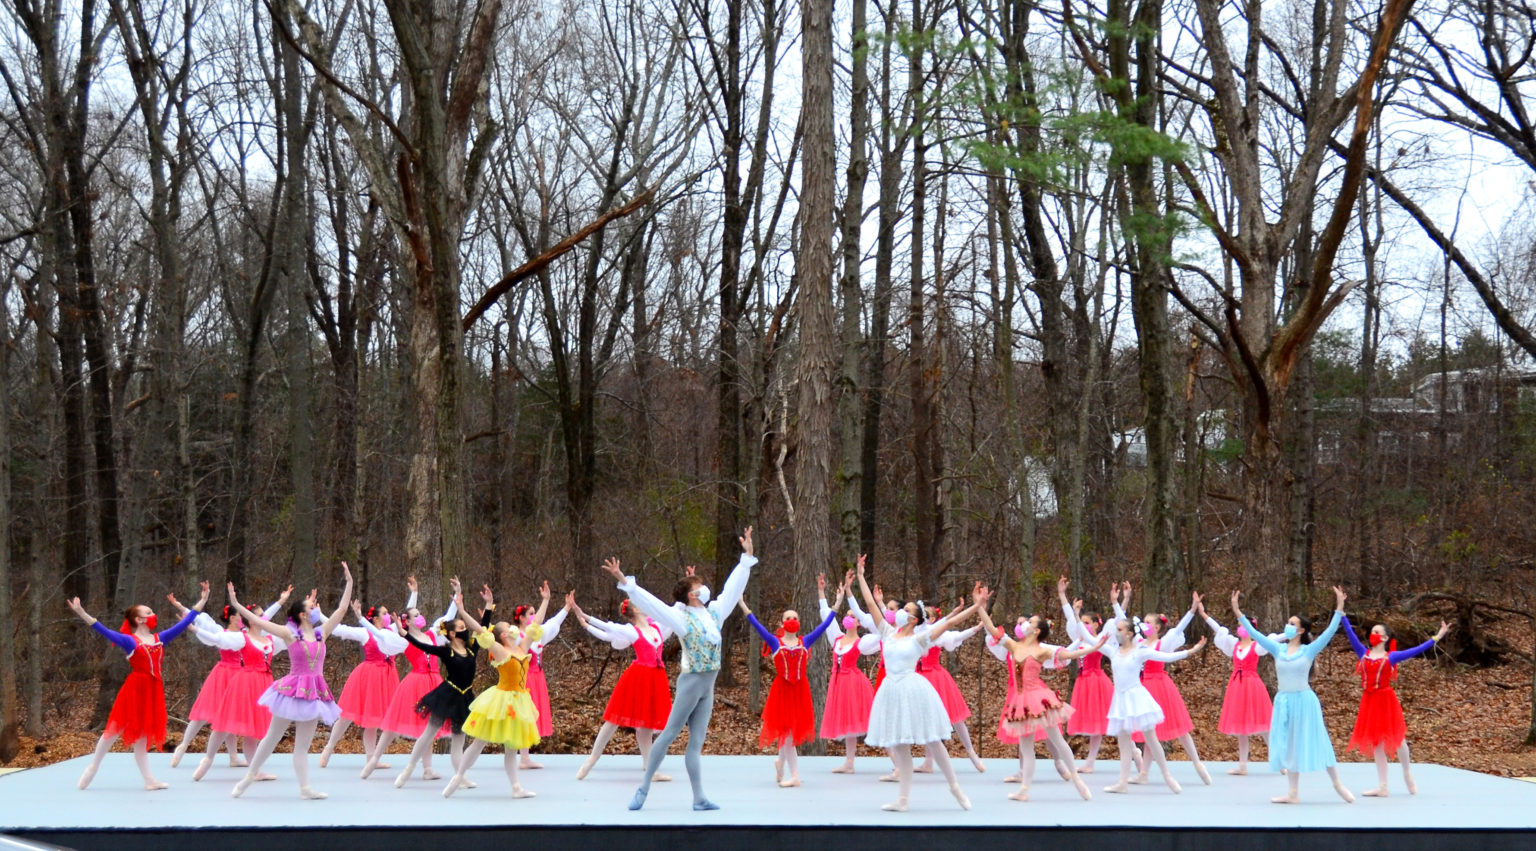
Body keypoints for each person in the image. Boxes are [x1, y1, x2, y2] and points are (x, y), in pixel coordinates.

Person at [607, 526, 757, 812]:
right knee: (668, 734)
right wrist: (625, 582)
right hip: (691, 684)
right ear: (690, 595)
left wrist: (745, 557)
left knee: (696, 742)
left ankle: (699, 797)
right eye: (697, 585)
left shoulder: (714, 612)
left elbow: (732, 589)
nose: (704, 587)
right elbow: (654, 606)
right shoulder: (681, 617)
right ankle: (644, 787)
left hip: (708, 686)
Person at [855, 554, 979, 813]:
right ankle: (903, 799)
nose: (899, 612)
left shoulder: (920, 639)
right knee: (901, 746)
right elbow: (869, 602)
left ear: (913, 619)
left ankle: (955, 786)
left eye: (906, 610)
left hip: (913, 689)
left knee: (932, 740)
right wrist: (860, 574)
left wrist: (977, 606)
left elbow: (952, 622)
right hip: (891, 690)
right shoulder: (888, 633)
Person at [227, 564, 354, 799]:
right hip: (291, 690)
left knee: (302, 746)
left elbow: (342, 609)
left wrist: (349, 582)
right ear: (303, 615)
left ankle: (305, 789)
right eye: (312, 607)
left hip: (314, 692)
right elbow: (260, 622)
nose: (317, 609)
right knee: (272, 737)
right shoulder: (288, 634)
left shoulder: (321, 632)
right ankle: (248, 778)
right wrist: (235, 604)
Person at [68, 582, 209, 791]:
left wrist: (203, 599)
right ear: (139, 619)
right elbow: (103, 630)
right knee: (113, 730)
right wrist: (81, 612)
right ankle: (93, 767)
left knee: (143, 737)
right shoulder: (129, 641)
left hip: (153, 691)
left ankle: (149, 780)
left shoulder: (159, 639)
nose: (154, 614)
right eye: (149, 612)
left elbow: (185, 623)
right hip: (135, 689)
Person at [976, 592, 1106, 802]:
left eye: (1030, 622)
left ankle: (1076, 779)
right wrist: (980, 605)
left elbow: (1069, 655)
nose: (1025, 623)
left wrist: (1095, 647)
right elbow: (992, 629)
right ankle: (1025, 789)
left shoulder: (1042, 650)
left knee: (1057, 740)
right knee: (1026, 747)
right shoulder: (1014, 645)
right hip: (1020, 701)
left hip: (1038, 698)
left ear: (1035, 631)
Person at [1233, 586, 1355, 804]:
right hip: (1284, 701)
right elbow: (1255, 634)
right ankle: (1292, 793)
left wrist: (1339, 607)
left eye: (1292, 624)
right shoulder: (1278, 649)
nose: (1287, 627)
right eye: (1287, 623)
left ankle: (1337, 783)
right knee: (1288, 743)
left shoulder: (1308, 650)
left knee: (1318, 739)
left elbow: (1328, 633)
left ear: (1300, 631)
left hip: (1304, 701)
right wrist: (1238, 612)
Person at [170, 588, 288, 769]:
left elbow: (264, 619)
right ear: (234, 617)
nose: (246, 618)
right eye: (242, 615)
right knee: (206, 713)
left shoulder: (250, 634)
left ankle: (233, 756)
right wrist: (183, 610)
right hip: (225, 674)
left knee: (230, 717)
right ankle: (184, 745)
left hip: (242, 676)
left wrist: (280, 602)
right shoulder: (225, 632)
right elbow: (202, 622)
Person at [1099, 601, 1208, 795]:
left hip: (1153, 689)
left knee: (1164, 732)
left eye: (1149, 623)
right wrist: (1117, 602)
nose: (1117, 631)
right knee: (1131, 740)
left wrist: (1192, 615)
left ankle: (1174, 772)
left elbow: (1169, 654)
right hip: (1131, 692)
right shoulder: (1125, 647)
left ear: (1156, 627)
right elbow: (1120, 626)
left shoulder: (1151, 647)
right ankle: (1128, 779)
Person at [443, 595, 543, 799]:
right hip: (501, 701)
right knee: (480, 742)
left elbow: (536, 624)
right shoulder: (500, 651)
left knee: (511, 748)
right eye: (509, 627)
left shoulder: (522, 648)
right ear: (504, 634)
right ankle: (458, 776)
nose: (514, 629)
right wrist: (461, 609)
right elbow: (480, 630)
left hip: (520, 702)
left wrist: (546, 600)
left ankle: (516, 788)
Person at [389, 577, 483, 788]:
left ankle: (460, 776)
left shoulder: (471, 649)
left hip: (465, 697)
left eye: (463, 625)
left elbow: (483, 629)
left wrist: (486, 606)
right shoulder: (445, 650)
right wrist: (404, 632)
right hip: (447, 695)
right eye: (459, 627)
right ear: (451, 633)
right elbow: (423, 647)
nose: (463, 628)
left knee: (459, 739)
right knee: (429, 733)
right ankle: (409, 769)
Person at [1342, 614, 1450, 796]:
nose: (1373, 634)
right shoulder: (1364, 654)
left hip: (1385, 700)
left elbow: (1417, 649)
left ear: (1384, 638)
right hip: (1369, 702)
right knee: (1377, 743)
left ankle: (1407, 772)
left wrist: (1438, 636)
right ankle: (1383, 786)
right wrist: (1341, 612)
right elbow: (1350, 634)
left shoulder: (1391, 657)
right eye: (1372, 631)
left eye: (1377, 632)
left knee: (1397, 738)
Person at [362, 576, 457, 781]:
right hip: (415, 684)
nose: (421, 616)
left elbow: (447, 618)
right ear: (409, 621)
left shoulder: (432, 635)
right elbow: (382, 637)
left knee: (430, 725)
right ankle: (374, 759)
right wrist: (362, 621)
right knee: (393, 724)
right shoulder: (405, 640)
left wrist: (457, 595)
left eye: (420, 614)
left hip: (434, 683)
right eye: (416, 614)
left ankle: (427, 768)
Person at [572, 592, 674, 781]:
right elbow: (607, 628)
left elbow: (674, 614)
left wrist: (685, 593)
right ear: (635, 610)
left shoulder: (657, 628)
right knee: (613, 719)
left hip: (656, 679)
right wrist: (584, 616)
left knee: (647, 725)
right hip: (638, 678)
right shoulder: (632, 631)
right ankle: (592, 759)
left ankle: (648, 767)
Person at [740, 591, 835, 787]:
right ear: (782, 623)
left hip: (800, 691)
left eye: (795, 618)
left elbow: (825, 625)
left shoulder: (805, 641)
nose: (792, 620)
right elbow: (756, 625)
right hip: (782, 691)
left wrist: (837, 602)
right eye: (788, 618)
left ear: (799, 622)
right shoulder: (775, 642)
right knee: (787, 732)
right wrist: (742, 602)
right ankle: (794, 775)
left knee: (789, 732)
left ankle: (780, 762)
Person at [317, 599, 405, 767]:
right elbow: (338, 629)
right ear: (375, 618)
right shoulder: (365, 633)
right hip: (367, 678)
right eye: (385, 613)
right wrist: (320, 615)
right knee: (346, 715)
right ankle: (329, 748)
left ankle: (371, 759)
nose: (388, 616)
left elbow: (406, 617)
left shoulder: (391, 630)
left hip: (386, 679)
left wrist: (414, 592)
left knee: (373, 722)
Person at [1056, 577, 1126, 774]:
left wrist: (1120, 602)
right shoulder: (1079, 639)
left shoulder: (1102, 639)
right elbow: (1071, 619)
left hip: (1097, 682)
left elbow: (1120, 622)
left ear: (1096, 624)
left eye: (1088, 622)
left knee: (1109, 720)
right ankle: (1090, 761)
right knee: (1095, 725)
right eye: (1083, 622)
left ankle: (1134, 754)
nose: (1084, 625)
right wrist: (1062, 595)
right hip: (1083, 683)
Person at [1199, 595, 1272, 775]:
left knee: (1263, 726)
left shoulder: (1257, 645)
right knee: (1241, 727)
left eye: (1242, 626)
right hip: (1237, 687)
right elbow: (1219, 629)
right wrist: (1204, 614)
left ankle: (1279, 759)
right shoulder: (1234, 645)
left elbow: (1274, 640)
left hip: (1252, 686)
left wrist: (1289, 634)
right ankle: (1242, 765)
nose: (1239, 629)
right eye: (1239, 626)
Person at [816, 572, 878, 773]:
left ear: (859, 622)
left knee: (870, 722)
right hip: (839, 684)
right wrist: (822, 592)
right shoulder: (837, 638)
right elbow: (826, 616)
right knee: (849, 725)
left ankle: (897, 761)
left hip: (854, 684)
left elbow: (882, 636)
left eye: (852, 617)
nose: (848, 619)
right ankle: (849, 763)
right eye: (847, 616)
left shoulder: (862, 642)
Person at [505, 581, 565, 770]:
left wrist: (566, 607)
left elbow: (553, 622)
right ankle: (519, 757)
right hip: (524, 679)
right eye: (530, 614)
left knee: (531, 714)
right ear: (521, 618)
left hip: (537, 677)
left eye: (533, 613)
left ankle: (524, 756)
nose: (533, 617)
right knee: (522, 714)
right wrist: (545, 601)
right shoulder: (516, 635)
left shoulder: (536, 635)